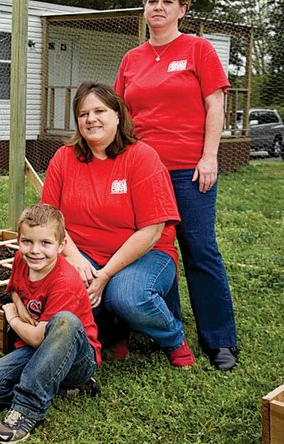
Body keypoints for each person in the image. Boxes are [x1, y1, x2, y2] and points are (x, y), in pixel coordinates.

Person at [113, 0, 238, 371]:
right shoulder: (132, 59)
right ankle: (167, 330)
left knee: (199, 250)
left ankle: (219, 340)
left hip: (188, 169)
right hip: (143, 171)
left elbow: (215, 105)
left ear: (182, 9)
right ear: (145, 8)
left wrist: (209, 156)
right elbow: (120, 115)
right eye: (152, 1)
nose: (159, 8)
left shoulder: (198, 49)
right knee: (152, 250)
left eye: (168, 1)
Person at [41, 82, 195, 368]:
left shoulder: (141, 156)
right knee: (65, 289)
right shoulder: (64, 158)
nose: (91, 119)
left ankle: (173, 337)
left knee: (126, 296)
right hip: (83, 251)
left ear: (117, 115)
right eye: (83, 113)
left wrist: (105, 274)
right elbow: (51, 219)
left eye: (100, 110)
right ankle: (114, 334)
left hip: (145, 253)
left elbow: (152, 231)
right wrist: (74, 259)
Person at [0, 204, 101, 443]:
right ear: (19, 240)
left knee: (65, 321)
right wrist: (18, 305)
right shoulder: (23, 261)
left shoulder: (65, 281)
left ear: (61, 246)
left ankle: (26, 409)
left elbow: (36, 338)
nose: (34, 251)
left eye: (45, 243)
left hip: (77, 359)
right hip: (37, 352)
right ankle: (59, 388)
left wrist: (12, 317)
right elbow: (13, 291)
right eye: (27, 242)